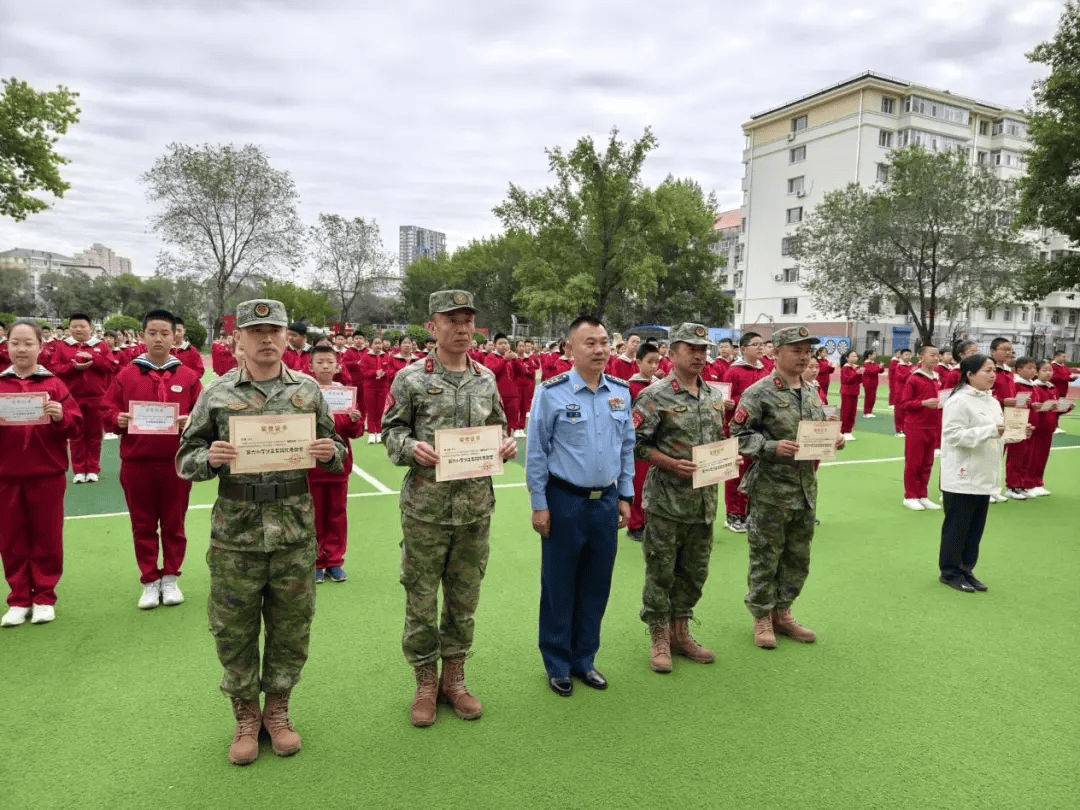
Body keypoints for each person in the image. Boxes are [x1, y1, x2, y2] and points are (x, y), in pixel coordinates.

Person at [176, 299, 346, 766]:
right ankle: (245, 713)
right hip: (238, 532)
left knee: (291, 626)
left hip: (293, 530)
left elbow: (340, 453)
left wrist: (329, 451)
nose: (267, 339)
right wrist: (207, 459)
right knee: (234, 629)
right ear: (239, 342)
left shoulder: (309, 392)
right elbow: (184, 458)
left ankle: (278, 709)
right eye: (257, 332)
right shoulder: (217, 394)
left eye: (275, 330)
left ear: (287, 336)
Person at [382, 290, 516, 726]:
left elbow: (498, 426)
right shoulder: (410, 378)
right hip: (426, 509)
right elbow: (391, 433)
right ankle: (424, 681)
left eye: (467, 321)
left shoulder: (486, 379)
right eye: (451, 320)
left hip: (475, 508)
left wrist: (506, 444)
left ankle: (454, 678)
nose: (461, 329)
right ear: (431, 327)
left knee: (464, 598)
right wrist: (411, 447)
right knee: (420, 598)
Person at [526, 315, 634, 697]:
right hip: (564, 500)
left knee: (595, 584)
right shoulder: (552, 392)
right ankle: (557, 663)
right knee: (559, 583)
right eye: (590, 343)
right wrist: (539, 504)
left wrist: (625, 495)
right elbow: (536, 452)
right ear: (569, 349)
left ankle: (584, 659)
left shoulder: (620, 391)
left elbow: (627, 447)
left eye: (605, 341)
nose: (601, 349)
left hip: (604, 502)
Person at [730, 326, 845, 649]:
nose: (804, 355)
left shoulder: (810, 390)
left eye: (807, 349)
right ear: (775, 352)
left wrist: (833, 440)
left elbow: (818, 430)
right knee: (765, 555)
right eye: (796, 349)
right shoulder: (759, 392)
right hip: (771, 490)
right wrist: (770, 447)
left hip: (805, 489)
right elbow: (737, 435)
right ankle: (762, 615)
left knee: (797, 556)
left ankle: (783, 611)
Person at [632, 323, 726, 673]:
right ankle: (659, 635)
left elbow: (717, 441)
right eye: (692, 349)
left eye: (704, 350)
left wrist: (727, 459)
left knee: (694, 572)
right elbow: (637, 444)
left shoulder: (715, 395)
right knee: (661, 570)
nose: (700, 356)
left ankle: (681, 631)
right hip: (667, 501)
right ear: (672, 353)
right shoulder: (654, 396)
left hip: (704, 501)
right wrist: (671, 464)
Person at [102, 309, 203, 609]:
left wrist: (191, 422)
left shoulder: (187, 377)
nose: (158, 339)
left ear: (175, 336)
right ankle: (149, 580)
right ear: (142, 336)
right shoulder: (127, 374)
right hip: (136, 464)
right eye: (152, 333)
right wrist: (116, 419)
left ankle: (171, 577)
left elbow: (203, 416)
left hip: (175, 464)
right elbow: (106, 411)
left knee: (174, 523)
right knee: (142, 524)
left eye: (165, 333)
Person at [0, 321, 83, 627]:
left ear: (40, 347)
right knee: (10, 538)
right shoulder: (1, 385)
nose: (21, 349)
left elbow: (76, 427)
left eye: (28, 343)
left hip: (47, 474)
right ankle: (19, 598)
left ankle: (44, 596)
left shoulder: (55, 385)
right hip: (6, 476)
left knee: (46, 536)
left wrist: (61, 417)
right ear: (6, 346)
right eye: (15, 343)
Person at [938, 354, 1030, 592]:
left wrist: (1017, 431)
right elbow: (954, 436)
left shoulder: (992, 401)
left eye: (994, 371)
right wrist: (992, 430)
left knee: (975, 527)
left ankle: (966, 569)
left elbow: (998, 433)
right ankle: (950, 572)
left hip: (985, 472)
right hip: (963, 473)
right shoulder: (959, 401)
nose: (992, 375)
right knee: (957, 526)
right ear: (969, 374)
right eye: (987, 370)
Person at [307, 345, 364, 584]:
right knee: (314, 516)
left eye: (330, 361)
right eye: (320, 362)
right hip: (311, 467)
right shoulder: (304, 393)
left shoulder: (345, 395)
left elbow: (354, 432)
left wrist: (354, 420)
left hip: (339, 466)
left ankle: (335, 561)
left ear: (338, 366)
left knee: (337, 515)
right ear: (310, 366)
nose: (325, 366)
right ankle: (316, 562)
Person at [48, 313, 116, 483]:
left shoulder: (100, 345)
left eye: (82, 326)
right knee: (76, 434)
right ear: (69, 329)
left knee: (94, 434)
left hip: (97, 397)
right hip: (72, 397)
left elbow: (110, 366)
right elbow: (55, 369)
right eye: (75, 326)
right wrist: (74, 367)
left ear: (90, 328)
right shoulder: (62, 346)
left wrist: (94, 359)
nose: (78, 329)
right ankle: (79, 470)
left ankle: (92, 468)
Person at [723, 332, 768, 533]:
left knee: (755, 471)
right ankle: (734, 514)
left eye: (762, 344)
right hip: (737, 428)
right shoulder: (733, 372)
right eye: (755, 344)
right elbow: (724, 397)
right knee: (736, 472)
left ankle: (749, 511)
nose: (760, 348)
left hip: (758, 430)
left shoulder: (766, 370)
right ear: (743, 349)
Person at [900, 345, 943, 511]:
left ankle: (922, 494)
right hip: (916, 426)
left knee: (928, 462)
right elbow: (904, 403)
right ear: (921, 358)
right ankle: (910, 495)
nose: (936, 358)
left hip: (932, 425)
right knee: (914, 462)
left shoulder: (935, 378)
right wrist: (923, 403)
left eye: (937, 355)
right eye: (932, 355)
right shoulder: (914, 379)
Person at [626, 341, 661, 541]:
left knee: (656, 485)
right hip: (638, 444)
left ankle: (651, 522)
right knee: (638, 485)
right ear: (638, 362)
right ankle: (635, 524)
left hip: (660, 443)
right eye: (650, 362)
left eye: (657, 362)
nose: (654, 366)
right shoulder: (630, 386)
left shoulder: (661, 385)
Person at [1004, 357, 1041, 500]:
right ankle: (1011, 486)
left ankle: (1021, 484)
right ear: (1019, 369)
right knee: (1016, 456)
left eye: (1034, 368)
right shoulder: (1016, 384)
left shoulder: (1033, 385)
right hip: (1018, 423)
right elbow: (1015, 402)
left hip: (1031, 425)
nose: (1033, 371)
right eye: (1029, 368)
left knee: (1027, 457)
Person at [484, 333, 525, 437]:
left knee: (510, 423)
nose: (503, 346)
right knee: (497, 423)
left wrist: (515, 360)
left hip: (513, 396)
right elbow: (492, 372)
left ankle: (507, 442)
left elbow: (522, 372)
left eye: (506, 343)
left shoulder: (513, 358)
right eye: (500, 343)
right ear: (494, 345)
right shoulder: (490, 357)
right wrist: (504, 360)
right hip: (498, 396)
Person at [359, 336, 389, 444]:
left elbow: (390, 370)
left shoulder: (386, 356)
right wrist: (374, 373)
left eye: (379, 343)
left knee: (381, 411)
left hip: (382, 387)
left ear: (382, 345)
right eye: (375, 343)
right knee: (371, 411)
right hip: (369, 387)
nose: (377, 345)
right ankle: (372, 433)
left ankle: (380, 433)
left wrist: (384, 373)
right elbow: (363, 372)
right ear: (372, 345)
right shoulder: (366, 357)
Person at [838, 350, 862, 441]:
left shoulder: (856, 367)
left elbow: (859, 381)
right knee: (846, 412)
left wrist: (860, 374)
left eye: (856, 356)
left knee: (852, 412)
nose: (855, 358)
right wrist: (856, 373)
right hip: (847, 392)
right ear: (847, 358)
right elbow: (846, 380)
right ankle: (843, 431)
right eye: (852, 356)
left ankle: (849, 431)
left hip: (855, 392)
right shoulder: (846, 368)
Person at [861, 350, 882, 417]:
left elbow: (879, 371)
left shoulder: (874, 363)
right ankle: (866, 412)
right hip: (868, 383)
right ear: (869, 356)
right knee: (868, 398)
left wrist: (881, 367)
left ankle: (869, 411)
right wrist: (879, 368)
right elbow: (871, 372)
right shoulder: (866, 364)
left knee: (873, 398)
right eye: (873, 354)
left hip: (874, 383)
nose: (874, 356)